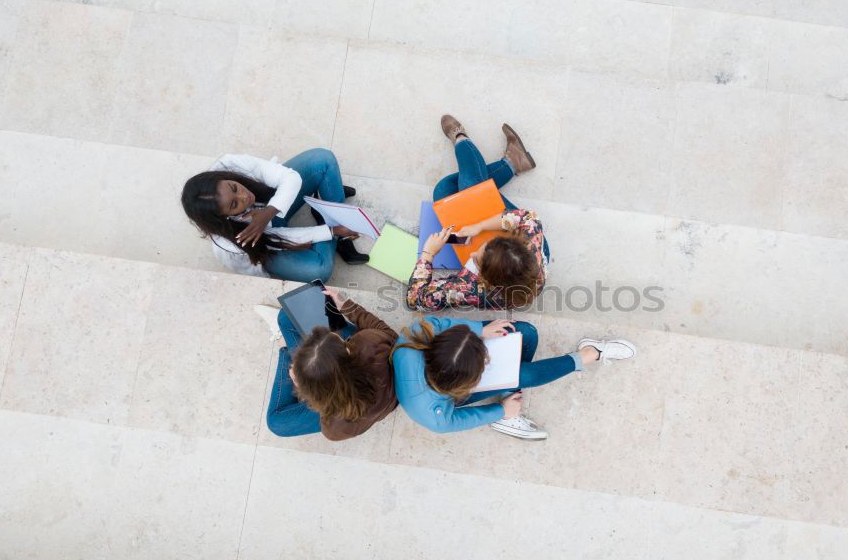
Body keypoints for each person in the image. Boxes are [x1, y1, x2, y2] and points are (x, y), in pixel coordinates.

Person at [391, 316, 636, 439]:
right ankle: (589, 354)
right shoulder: (435, 418)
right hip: (450, 396)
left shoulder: (413, 337)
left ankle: (512, 389)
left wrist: (478, 331)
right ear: (468, 382)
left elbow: (438, 323)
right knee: (526, 374)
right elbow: (460, 419)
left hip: (450, 372)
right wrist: (499, 411)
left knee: (526, 332)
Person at [407, 115, 549, 312]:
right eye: (485, 247)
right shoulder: (531, 242)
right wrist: (479, 227)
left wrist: (428, 253)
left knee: (445, 190)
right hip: (528, 259)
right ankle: (507, 160)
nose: (473, 253)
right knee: (467, 188)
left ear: (485, 279)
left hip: (504, 269)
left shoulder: (467, 289)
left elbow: (415, 299)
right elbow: (528, 218)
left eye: (476, 261)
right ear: (516, 244)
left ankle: (500, 159)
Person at [181, 148, 369, 282]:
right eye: (234, 204)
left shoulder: (228, 164)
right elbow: (281, 239)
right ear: (224, 217)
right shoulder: (228, 245)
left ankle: (328, 208)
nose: (245, 196)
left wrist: (268, 213)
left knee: (322, 160)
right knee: (320, 270)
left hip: (274, 204)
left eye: (234, 187)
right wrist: (331, 231)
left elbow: (289, 177)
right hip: (268, 247)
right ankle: (330, 215)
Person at [260, 290, 398, 440]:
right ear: (347, 350)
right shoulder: (369, 342)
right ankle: (299, 361)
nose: (335, 333)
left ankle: (286, 350)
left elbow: (321, 409)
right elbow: (391, 335)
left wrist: (302, 387)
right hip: (385, 393)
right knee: (286, 315)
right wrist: (346, 306)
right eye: (337, 337)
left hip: (343, 407)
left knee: (276, 422)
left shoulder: (334, 427)